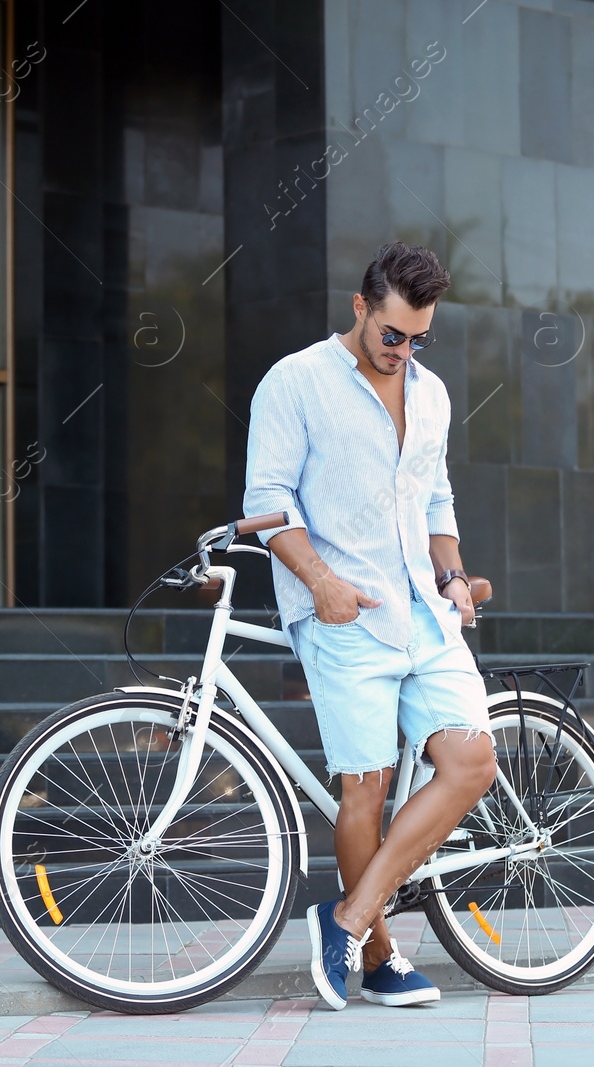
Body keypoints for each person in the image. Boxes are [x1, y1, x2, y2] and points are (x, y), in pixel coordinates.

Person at [243, 241, 498, 1010]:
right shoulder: (295, 382)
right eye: (393, 335)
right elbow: (268, 501)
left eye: (420, 338)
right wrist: (320, 583)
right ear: (360, 308)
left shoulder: (433, 394)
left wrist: (452, 576)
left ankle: (348, 915)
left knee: (472, 762)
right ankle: (383, 957)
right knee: (367, 788)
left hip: (423, 610)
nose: (404, 351)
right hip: (345, 612)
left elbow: (435, 500)